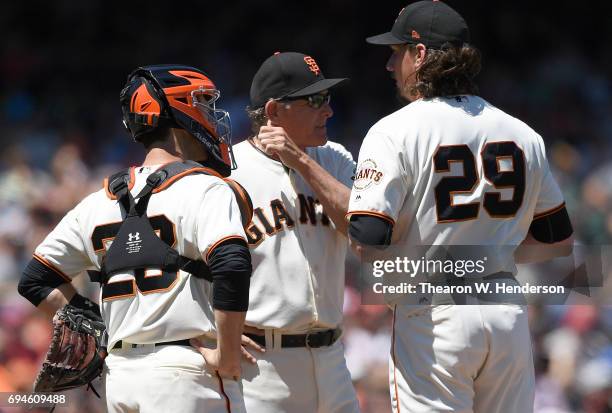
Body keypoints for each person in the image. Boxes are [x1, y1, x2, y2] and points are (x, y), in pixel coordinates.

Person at [347, 2, 574, 413]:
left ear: (419, 56)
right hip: (504, 308)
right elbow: (558, 239)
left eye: (396, 52)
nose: (388, 64)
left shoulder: (394, 130)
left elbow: (367, 237)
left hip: (435, 313)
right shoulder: (522, 132)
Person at [18, 65, 252, 413]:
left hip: (121, 377)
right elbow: (232, 263)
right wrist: (228, 354)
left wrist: (90, 316)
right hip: (185, 371)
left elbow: (35, 279)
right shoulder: (206, 187)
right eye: (201, 103)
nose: (211, 115)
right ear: (177, 113)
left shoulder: (97, 201)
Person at [228, 52, 360, 412]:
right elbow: (187, 259)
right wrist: (212, 326)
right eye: (315, 100)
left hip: (332, 357)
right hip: (263, 365)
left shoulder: (333, 158)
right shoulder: (227, 172)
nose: (328, 111)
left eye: (327, 98)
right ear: (273, 111)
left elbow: (362, 229)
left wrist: (300, 160)